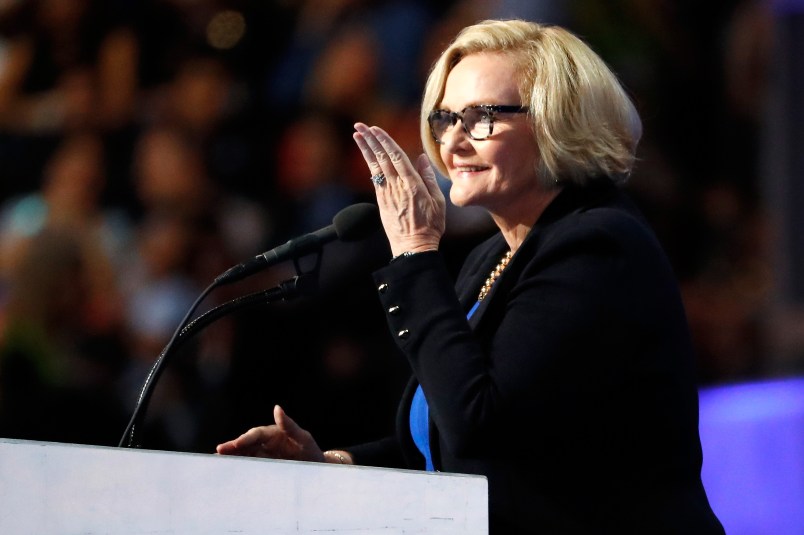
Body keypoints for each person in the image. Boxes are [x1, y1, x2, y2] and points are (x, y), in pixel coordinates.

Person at [216, 19, 726, 534]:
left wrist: (415, 251)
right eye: (445, 119)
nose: (453, 142)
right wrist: (330, 466)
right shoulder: (492, 256)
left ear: (558, 122)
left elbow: (481, 428)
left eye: (482, 117)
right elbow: (445, 442)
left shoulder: (596, 247)